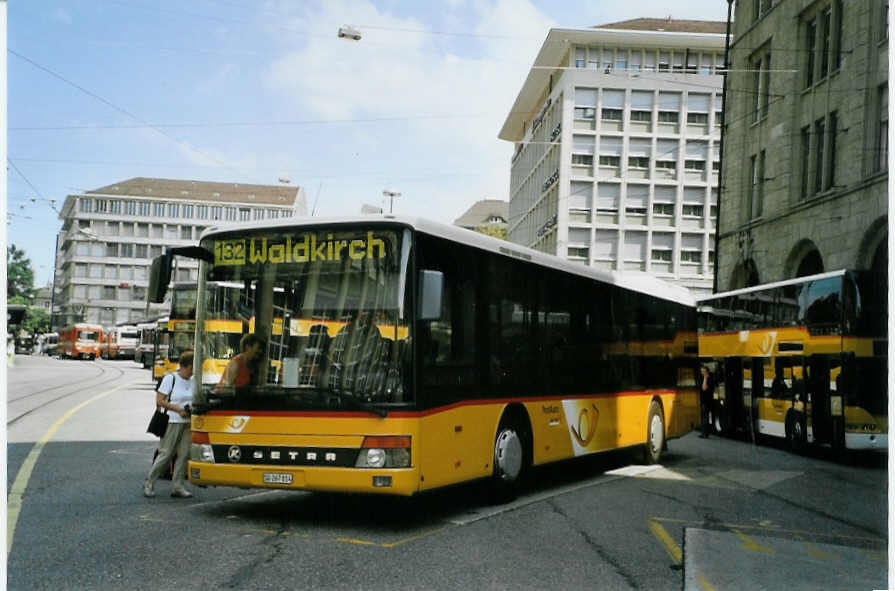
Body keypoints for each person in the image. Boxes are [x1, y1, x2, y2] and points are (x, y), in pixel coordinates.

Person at [144, 350, 195, 498]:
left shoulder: (193, 380)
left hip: (188, 421)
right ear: (185, 366)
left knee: (184, 454)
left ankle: (178, 486)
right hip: (173, 420)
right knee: (166, 454)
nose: (193, 371)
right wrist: (178, 410)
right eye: (191, 367)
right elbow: (160, 401)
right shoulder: (170, 378)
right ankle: (149, 482)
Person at [327, 311, 386, 396]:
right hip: (346, 385)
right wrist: (341, 366)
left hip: (367, 387)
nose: (368, 315)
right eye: (365, 311)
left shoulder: (375, 332)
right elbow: (332, 352)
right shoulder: (347, 330)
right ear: (359, 313)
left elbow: (380, 356)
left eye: (370, 312)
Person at [698, 365, 715, 438]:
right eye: (701, 371)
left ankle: (705, 433)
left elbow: (704, 388)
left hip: (707, 401)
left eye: (703, 371)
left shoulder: (710, 379)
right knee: (704, 417)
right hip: (702, 400)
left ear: (707, 372)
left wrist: (705, 378)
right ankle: (705, 432)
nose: (702, 373)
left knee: (705, 417)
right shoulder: (701, 378)